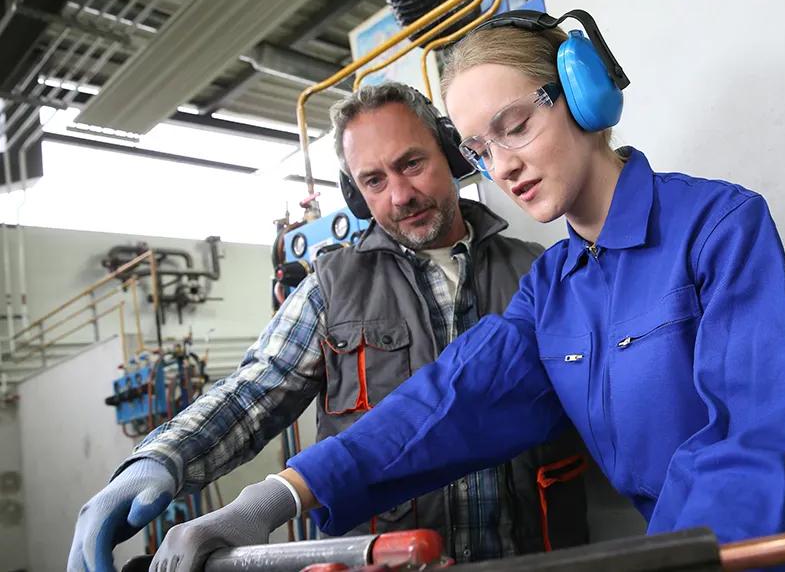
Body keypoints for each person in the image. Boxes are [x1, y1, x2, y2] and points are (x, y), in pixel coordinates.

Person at [148, 10, 785, 571]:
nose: (501, 166)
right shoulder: (553, 289)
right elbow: (440, 406)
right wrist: (275, 498)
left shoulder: (719, 225)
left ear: (583, 95)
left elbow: (752, 443)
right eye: (480, 149)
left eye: (515, 128)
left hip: (779, 553)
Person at [67, 82, 590, 572]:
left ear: (453, 156)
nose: (400, 195)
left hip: (530, 557)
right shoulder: (331, 287)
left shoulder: (537, 272)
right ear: (358, 194)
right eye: (374, 181)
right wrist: (160, 458)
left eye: (412, 164)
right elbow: (253, 391)